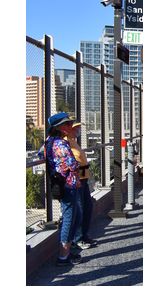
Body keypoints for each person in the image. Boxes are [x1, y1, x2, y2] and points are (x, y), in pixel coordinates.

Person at [38, 112, 83, 267]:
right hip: (69, 184)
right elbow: (73, 164)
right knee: (70, 219)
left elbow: (40, 154)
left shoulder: (49, 142)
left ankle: (67, 251)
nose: (70, 127)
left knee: (75, 216)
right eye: (67, 124)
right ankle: (63, 256)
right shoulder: (61, 144)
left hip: (60, 183)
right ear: (58, 127)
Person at [68, 121, 98, 250]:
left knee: (88, 206)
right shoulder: (66, 142)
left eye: (79, 127)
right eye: (77, 127)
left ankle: (84, 235)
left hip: (84, 178)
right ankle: (77, 239)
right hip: (77, 179)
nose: (79, 130)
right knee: (79, 208)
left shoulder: (74, 141)